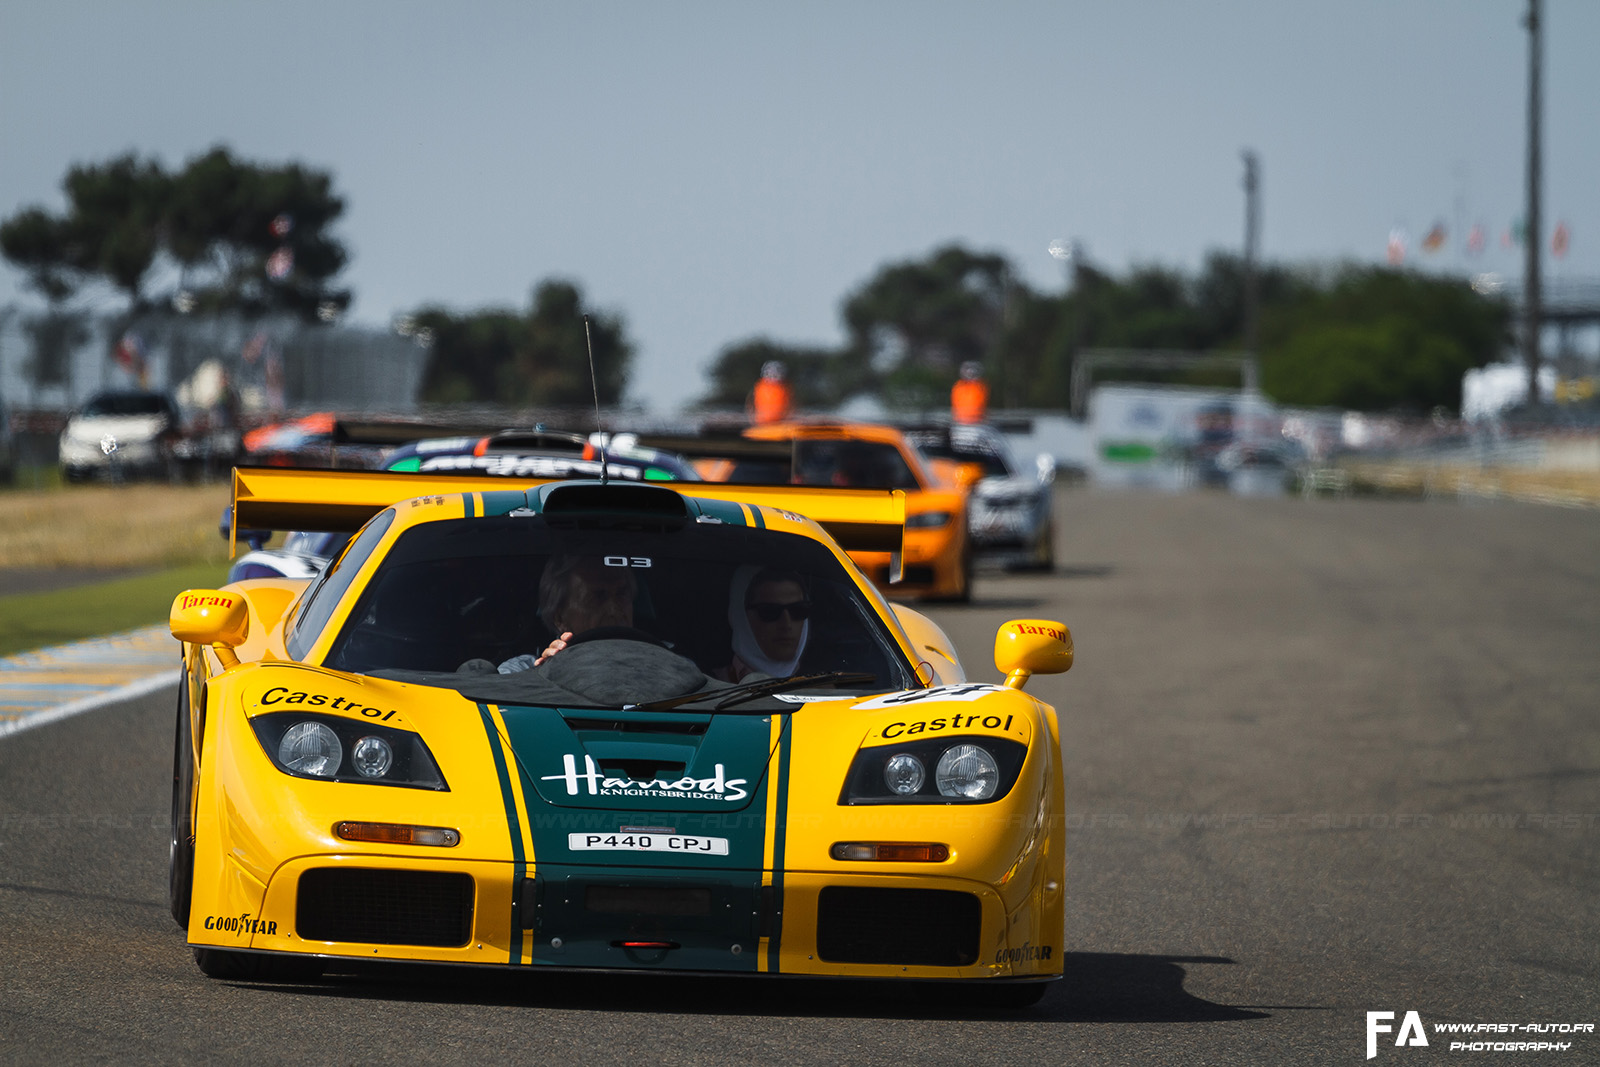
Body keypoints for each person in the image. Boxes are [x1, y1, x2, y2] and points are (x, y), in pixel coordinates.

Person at [497, 554, 638, 672]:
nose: (614, 610)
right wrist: (545, 677)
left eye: (621, 594)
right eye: (598, 597)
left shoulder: (660, 657)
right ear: (560, 619)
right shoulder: (520, 671)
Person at [715, 565, 811, 682]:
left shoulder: (828, 684)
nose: (787, 625)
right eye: (769, 612)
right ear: (740, 617)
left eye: (798, 610)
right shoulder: (705, 688)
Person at [749, 360, 793, 425]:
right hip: (762, 423)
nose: (773, 376)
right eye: (770, 373)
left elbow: (791, 406)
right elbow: (750, 404)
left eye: (776, 373)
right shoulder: (760, 387)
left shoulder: (785, 388)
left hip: (780, 423)